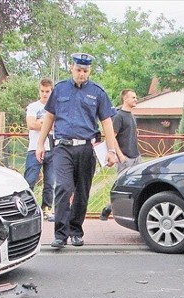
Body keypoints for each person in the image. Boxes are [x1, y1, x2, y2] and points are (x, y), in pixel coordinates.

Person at [35, 53, 119, 248]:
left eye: (85, 71)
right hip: (62, 147)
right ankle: (60, 234)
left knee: (82, 191)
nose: (82, 74)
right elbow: (49, 117)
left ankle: (76, 231)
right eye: (79, 70)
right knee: (63, 187)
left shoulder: (98, 92)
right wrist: (40, 144)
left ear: (89, 71)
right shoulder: (60, 90)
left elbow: (107, 122)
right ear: (71, 68)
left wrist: (112, 150)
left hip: (86, 148)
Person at [100, 89, 141, 220]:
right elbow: (112, 137)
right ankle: (108, 209)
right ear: (125, 99)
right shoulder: (119, 116)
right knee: (123, 187)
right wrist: (120, 155)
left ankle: (130, 212)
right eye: (133, 97)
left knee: (135, 187)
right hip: (125, 158)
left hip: (135, 157)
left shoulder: (132, 116)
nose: (136, 99)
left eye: (136, 97)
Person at [24, 78, 56, 222]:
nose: (45, 94)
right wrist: (46, 124)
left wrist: (41, 123)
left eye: (47, 91)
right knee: (30, 180)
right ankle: (27, 209)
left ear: (51, 91)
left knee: (50, 183)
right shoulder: (33, 107)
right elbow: (31, 124)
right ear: (39, 91)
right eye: (42, 91)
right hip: (34, 148)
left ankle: (47, 209)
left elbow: (57, 125)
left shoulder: (56, 107)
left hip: (52, 149)